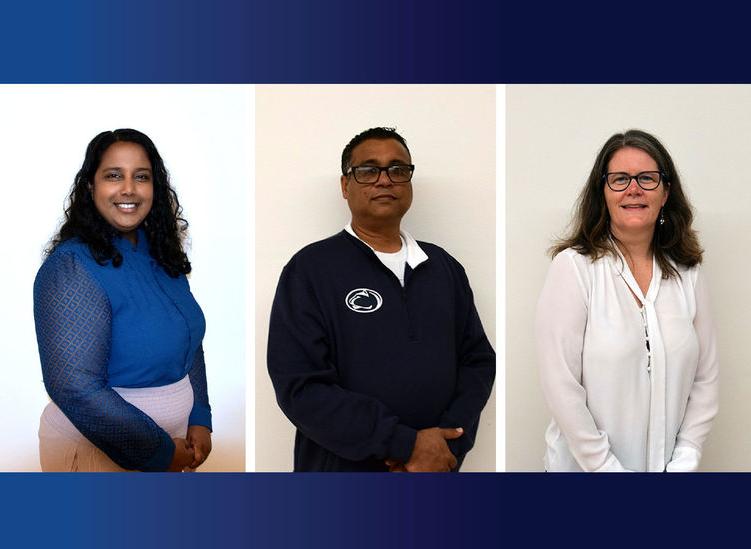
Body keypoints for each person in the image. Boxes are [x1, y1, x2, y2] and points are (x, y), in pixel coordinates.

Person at [267, 127, 495, 472]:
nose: (385, 180)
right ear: (346, 186)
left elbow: (477, 362)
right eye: (369, 170)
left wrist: (445, 445)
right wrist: (404, 445)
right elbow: (300, 387)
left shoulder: (444, 269)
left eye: (398, 170)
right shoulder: (310, 270)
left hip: (436, 470)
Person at [536, 129, 718, 472]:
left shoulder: (688, 274)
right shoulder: (574, 268)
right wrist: (605, 467)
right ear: (602, 192)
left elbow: (705, 379)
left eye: (647, 178)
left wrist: (687, 456)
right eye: (620, 179)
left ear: (666, 193)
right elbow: (561, 385)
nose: (633, 189)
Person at [33, 128, 212, 472]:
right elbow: (75, 388)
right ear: (90, 186)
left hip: (173, 444)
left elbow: (188, 342)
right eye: (113, 175)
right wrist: (158, 451)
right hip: (99, 450)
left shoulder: (162, 255)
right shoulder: (73, 267)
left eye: (141, 177)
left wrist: (200, 416)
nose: (128, 188)